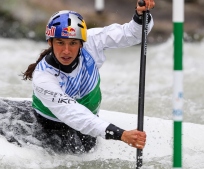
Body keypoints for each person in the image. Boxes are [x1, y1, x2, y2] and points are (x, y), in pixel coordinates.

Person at [22, 0, 155, 153]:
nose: (66, 50)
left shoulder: (92, 41)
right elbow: (73, 113)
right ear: (50, 43)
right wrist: (121, 134)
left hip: (88, 128)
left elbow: (130, 34)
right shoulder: (43, 77)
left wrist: (140, 16)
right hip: (51, 131)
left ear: (81, 44)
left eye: (73, 43)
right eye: (60, 42)